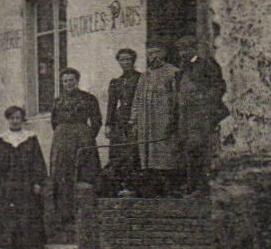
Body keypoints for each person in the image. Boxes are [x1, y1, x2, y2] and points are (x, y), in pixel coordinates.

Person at [0, 106, 47, 249]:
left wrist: (37, 182)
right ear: (8, 120)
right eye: (12, 118)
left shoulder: (30, 138)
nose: (15, 121)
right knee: (10, 219)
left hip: (26, 185)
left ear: (22, 120)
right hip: (8, 186)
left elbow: (38, 161)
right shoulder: (1, 140)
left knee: (28, 218)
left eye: (18, 118)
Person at [175, 33, 227, 196]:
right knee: (189, 151)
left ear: (194, 48)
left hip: (202, 115)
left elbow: (219, 86)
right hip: (187, 117)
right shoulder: (182, 69)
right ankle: (192, 186)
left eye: (186, 49)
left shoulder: (206, 65)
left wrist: (205, 102)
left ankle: (203, 187)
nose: (183, 53)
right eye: (181, 50)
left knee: (201, 150)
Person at [49, 67, 102, 225]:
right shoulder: (57, 100)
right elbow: (54, 121)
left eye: (71, 80)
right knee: (62, 174)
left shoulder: (88, 98)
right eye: (65, 81)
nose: (68, 84)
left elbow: (96, 120)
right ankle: (64, 216)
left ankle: (86, 212)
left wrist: (87, 136)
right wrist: (62, 134)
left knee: (85, 171)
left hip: (82, 137)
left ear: (77, 81)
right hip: (62, 140)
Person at [132, 43, 181, 194]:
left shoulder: (173, 72)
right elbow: (137, 99)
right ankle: (152, 187)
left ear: (164, 53)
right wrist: (134, 120)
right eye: (150, 53)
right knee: (148, 154)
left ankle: (170, 187)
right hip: (146, 121)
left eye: (157, 52)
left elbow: (178, 98)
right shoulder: (144, 75)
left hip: (164, 119)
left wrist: (175, 118)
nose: (154, 56)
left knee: (165, 153)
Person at [103, 48, 142, 194]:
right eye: (122, 59)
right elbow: (111, 104)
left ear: (133, 61)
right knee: (118, 151)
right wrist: (108, 124)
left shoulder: (141, 78)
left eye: (128, 59)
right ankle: (118, 185)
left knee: (134, 151)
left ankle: (133, 186)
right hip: (120, 120)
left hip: (136, 117)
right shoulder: (115, 82)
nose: (125, 62)